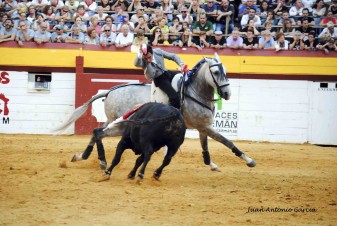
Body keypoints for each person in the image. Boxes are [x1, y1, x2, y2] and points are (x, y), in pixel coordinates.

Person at [134, 44, 185, 109]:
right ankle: (170, 114)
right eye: (146, 58)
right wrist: (140, 53)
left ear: (152, 52)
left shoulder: (157, 51)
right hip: (159, 79)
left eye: (149, 57)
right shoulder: (142, 60)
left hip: (167, 72)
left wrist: (181, 65)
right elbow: (136, 64)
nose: (148, 60)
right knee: (174, 97)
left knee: (183, 79)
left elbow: (173, 56)